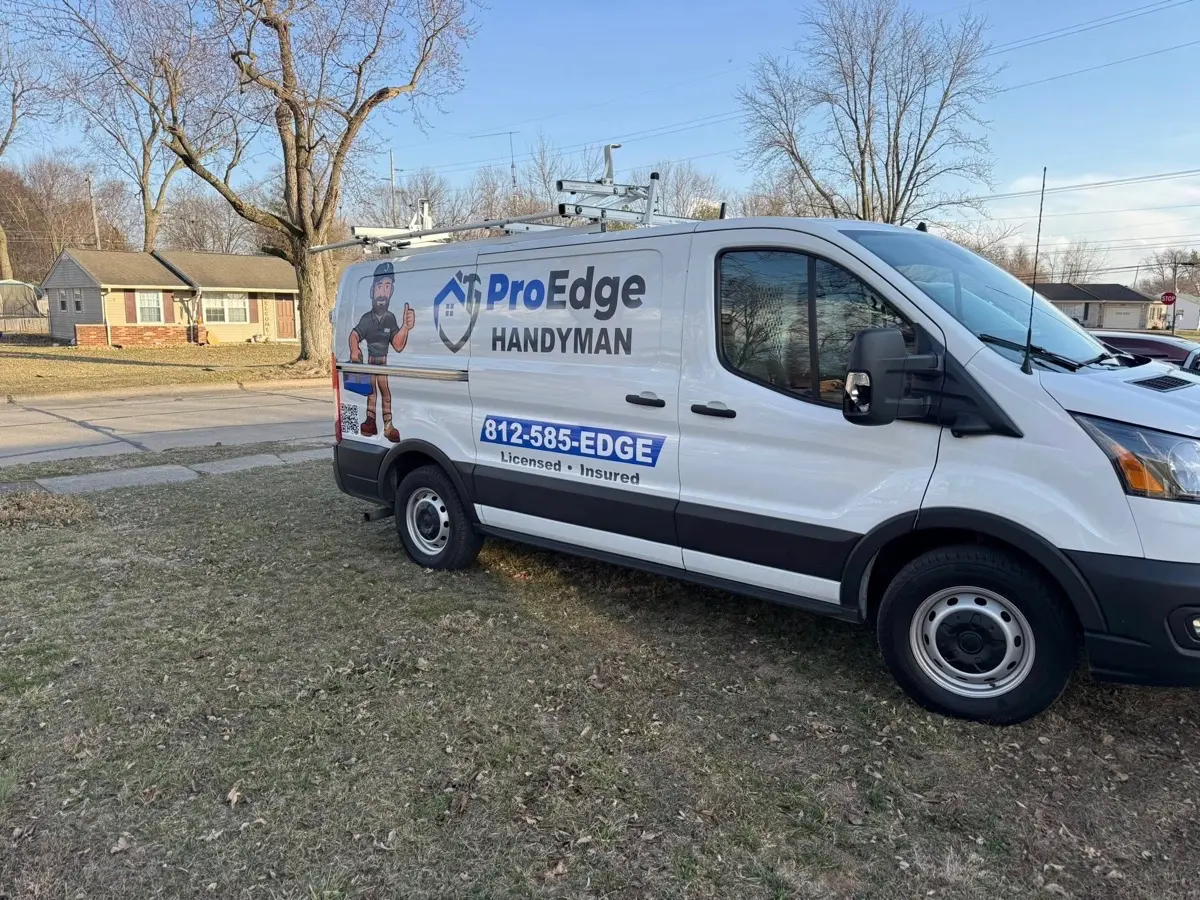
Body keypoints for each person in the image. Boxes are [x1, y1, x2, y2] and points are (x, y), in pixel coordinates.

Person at [348, 261, 415, 442]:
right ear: (372, 291)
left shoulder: (390, 318)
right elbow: (354, 335)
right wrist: (354, 350)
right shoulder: (366, 318)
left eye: (387, 287)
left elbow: (398, 345)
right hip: (370, 362)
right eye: (379, 286)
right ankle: (371, 421)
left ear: (391, 292)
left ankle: (388, 425)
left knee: (385, 392)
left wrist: (405, 328)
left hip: (383, 363)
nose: (383, 292)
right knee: (371, 392)